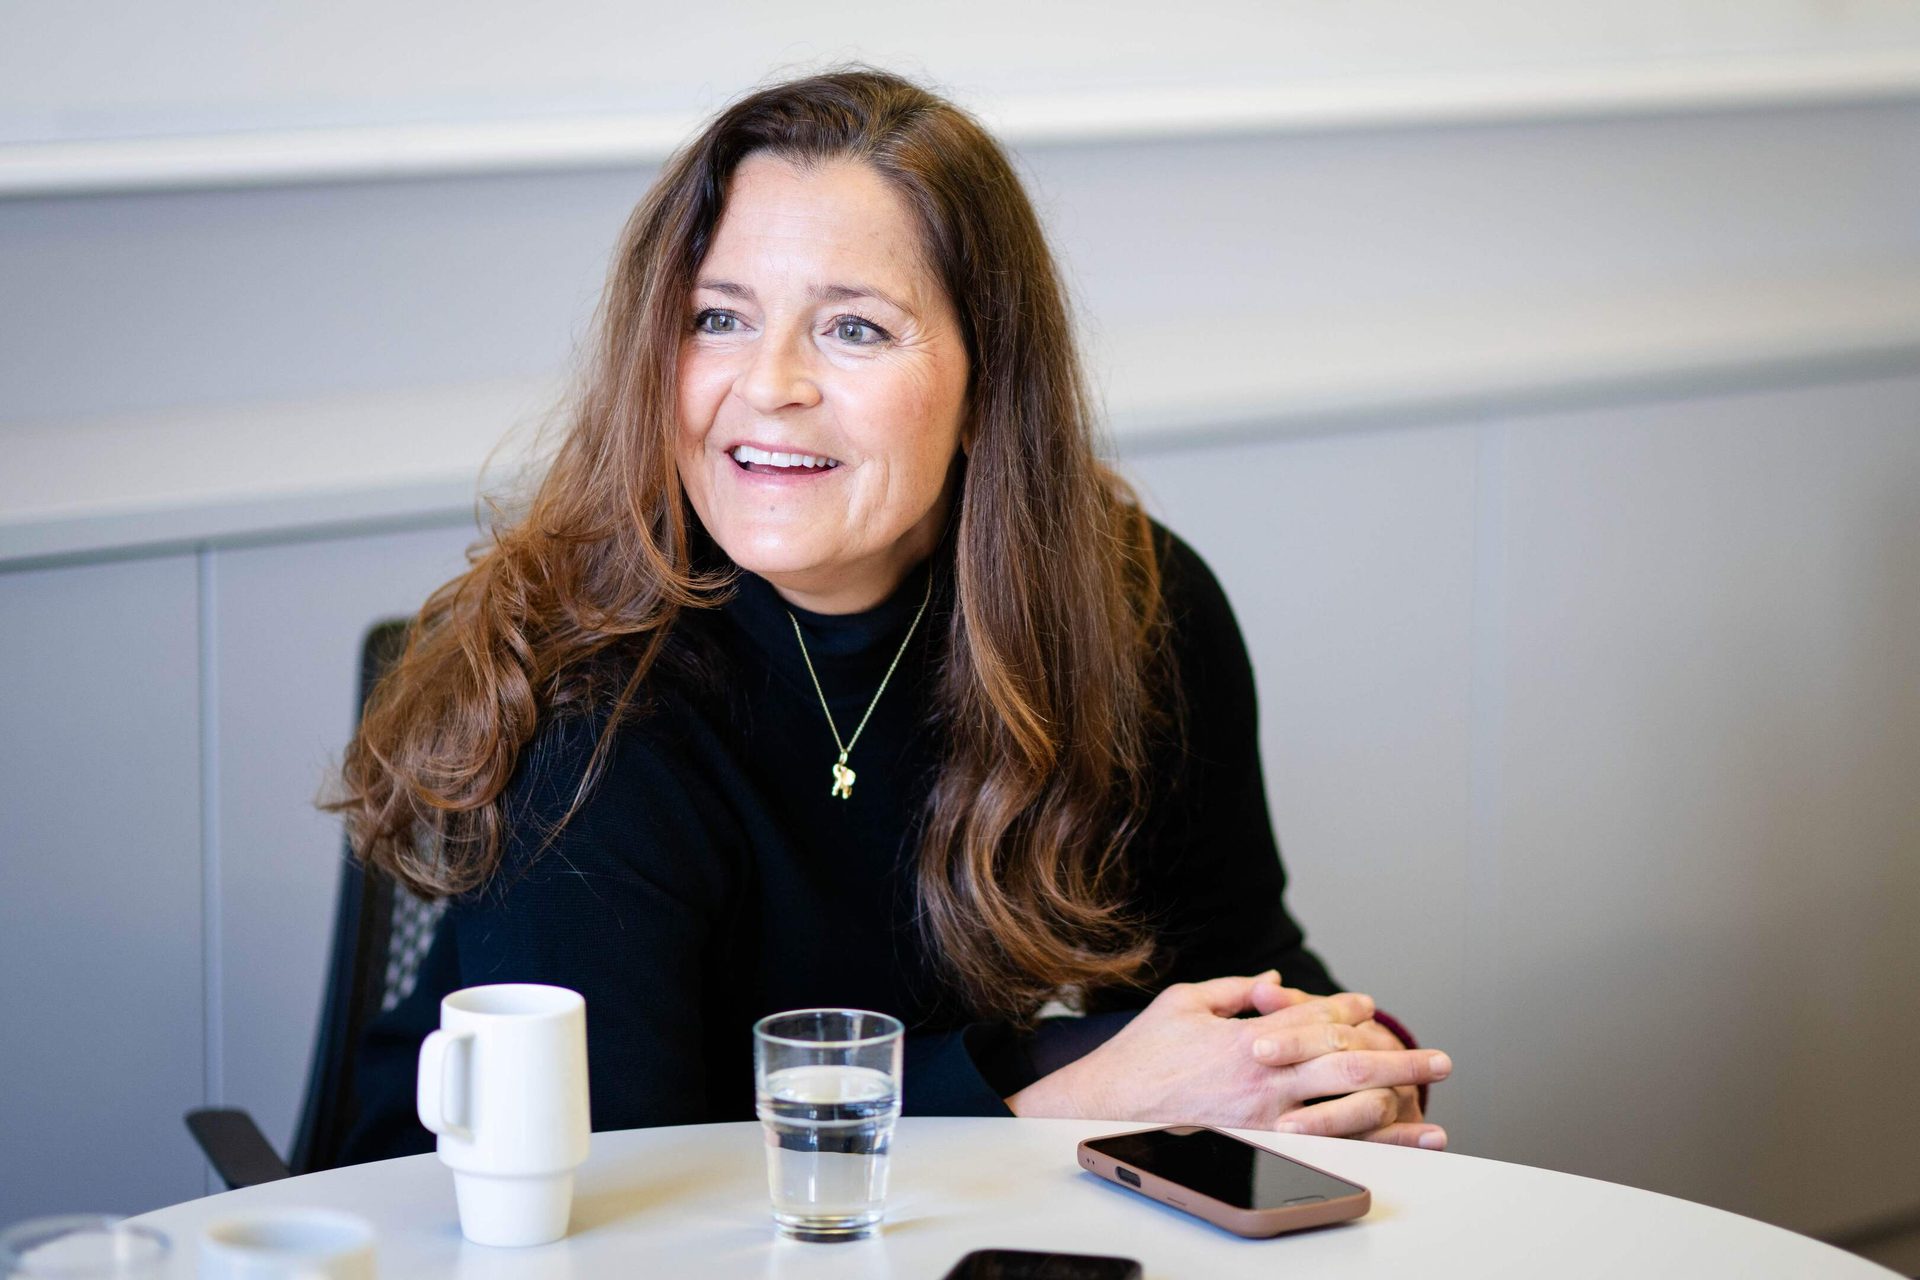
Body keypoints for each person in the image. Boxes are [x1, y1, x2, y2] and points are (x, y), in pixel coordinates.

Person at [330, 68, 1452, 1165]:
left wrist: (1338, 1063)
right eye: (718, 317)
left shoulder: (1133, 609)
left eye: (852, 329)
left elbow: (1226, 956)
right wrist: (1058, 1092)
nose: (769, 383)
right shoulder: (584, 687)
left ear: (987, 384)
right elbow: (632, 1180)